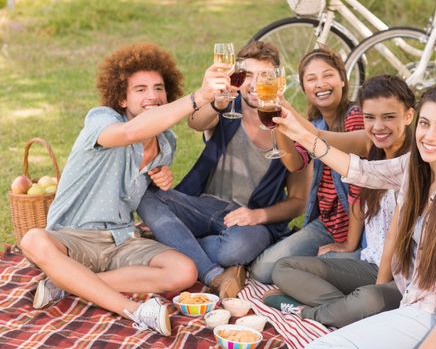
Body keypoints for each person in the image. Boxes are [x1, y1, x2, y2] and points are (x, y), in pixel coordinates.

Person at [19, 42, 230, 336]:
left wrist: (159, 177)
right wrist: (200, 97)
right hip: (73, 238)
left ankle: (66, 283)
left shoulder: (165, 143)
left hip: (122, 238)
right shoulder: (102, 120)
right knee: (33, 240)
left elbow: (141, 164)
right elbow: (131, 132)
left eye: (158, 88)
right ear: (121, 98)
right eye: (140, 89)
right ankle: (136, 311)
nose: (153, 96)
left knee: (184, 271)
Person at [275, 85, 436, 348]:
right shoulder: (416, 167)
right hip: (408, 301)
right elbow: (362, 170)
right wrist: (303, 137)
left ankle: (321, 313)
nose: (429, 136)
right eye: (425, 124)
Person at [137, 40, 309, 299]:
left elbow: (298, 203)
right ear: (237, 78)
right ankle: (214, 273)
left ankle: (171, 243)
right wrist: (216, 101)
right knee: (145, 196)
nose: (253, 84)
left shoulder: (292, 126)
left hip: (248, 223)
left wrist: (257, 216)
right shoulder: (227, 107)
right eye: (248, 75)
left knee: (237, 249)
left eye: (264, 76)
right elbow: (195, 122)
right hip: (202, 207)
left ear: (277, 81)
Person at [266, 75, 414, 328]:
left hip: (403, 277)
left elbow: (394, 239)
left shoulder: (414, 163)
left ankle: (309, 312)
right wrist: (281, 107)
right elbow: (317, 135)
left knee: (368, 297)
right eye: (370, 117)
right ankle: (348, 310)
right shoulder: (370, 143)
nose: (378, 126)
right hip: (369, 263)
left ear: (408, 116)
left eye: (389, 117)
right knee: (283, 268)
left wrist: (379, 289)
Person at [250, 47, 364, 284]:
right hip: (327, 225)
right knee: (263, 270)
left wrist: (284, 105)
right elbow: (293, 163)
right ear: (305, 89)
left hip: (361, 230)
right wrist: (278, 122)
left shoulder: (356, 117)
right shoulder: (316, 121)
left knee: (303, 273)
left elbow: (358, 188)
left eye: (328, 75)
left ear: (343, 79)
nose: (321, 84)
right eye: (311, 79)